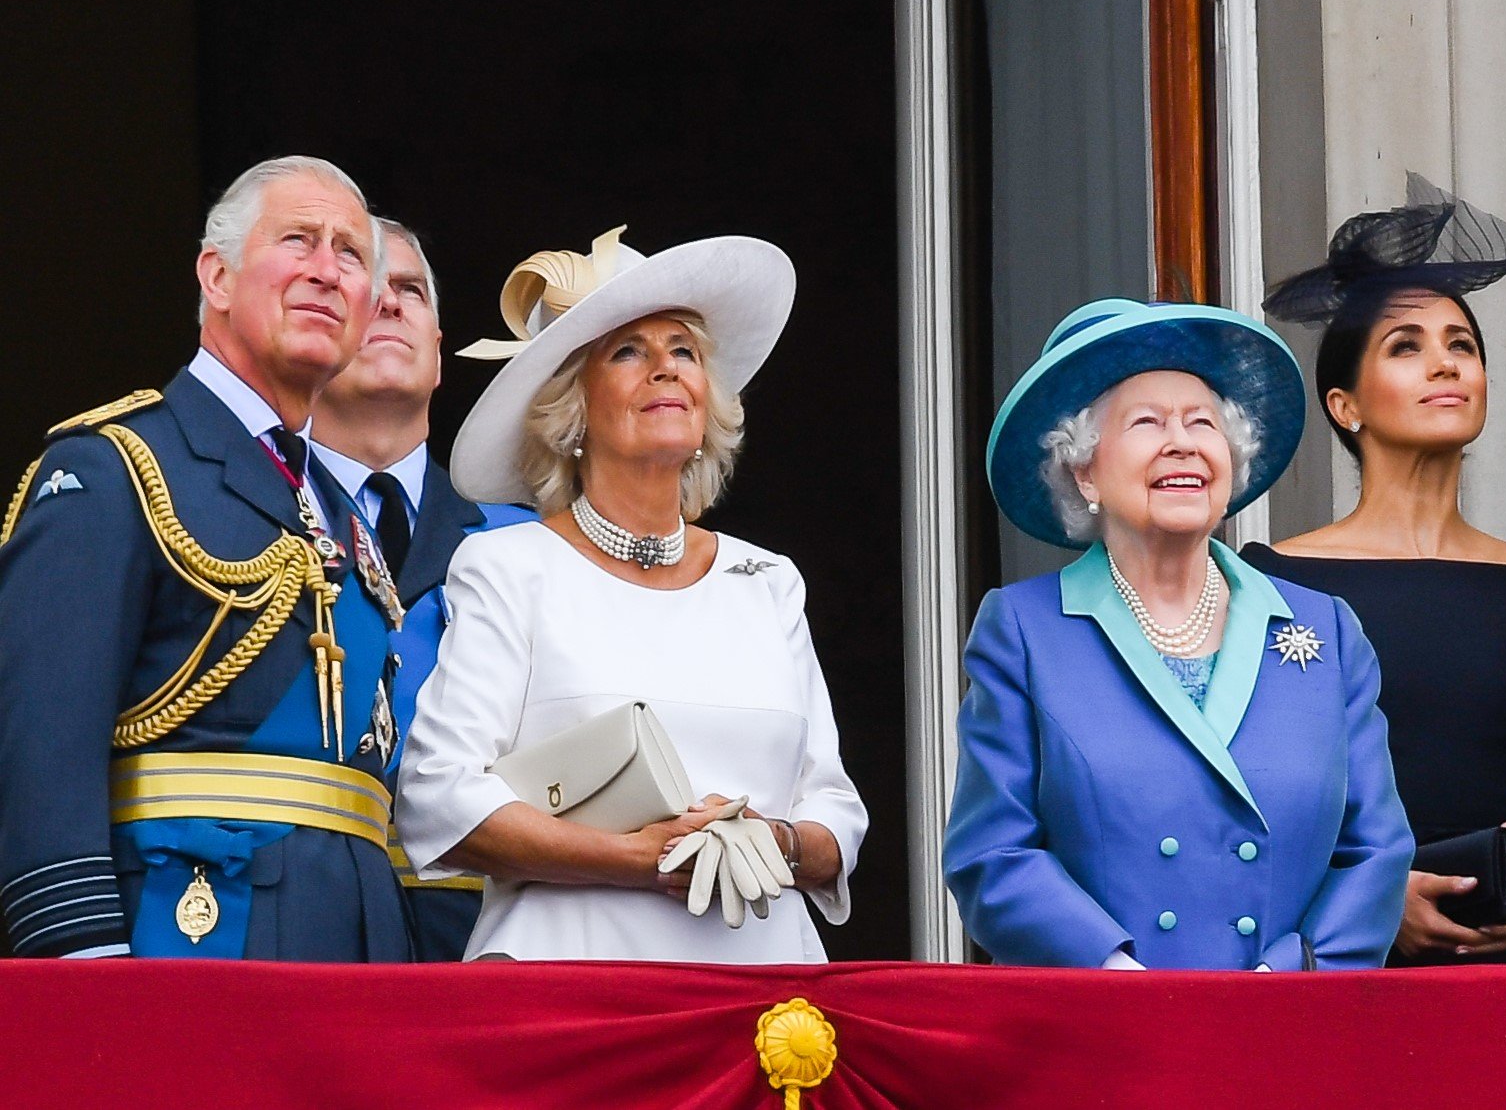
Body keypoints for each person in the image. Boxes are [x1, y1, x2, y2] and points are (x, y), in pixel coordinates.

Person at [394, 228, 866, 962]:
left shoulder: (768, 582)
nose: (664, 369)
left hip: (764, 996)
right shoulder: (506, 567)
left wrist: (776, 840)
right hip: (572, 988)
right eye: (627, 352)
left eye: (683, 350)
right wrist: (643, 859)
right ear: (572, 411)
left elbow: (835, 816)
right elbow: (439, 798)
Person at [0, 156, 409, 960]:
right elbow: (41, 741)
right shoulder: (116, 466)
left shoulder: (340, 505)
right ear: (216, 276)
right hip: (188, 932)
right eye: (299, 240)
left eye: (351, 254)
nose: (327, 270)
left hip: (359, 944)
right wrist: (78, 959)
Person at [945, 298, 1412, 970]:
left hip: (1288, 1024)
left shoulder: (1326, 630)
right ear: (1084, 470)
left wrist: (1288, 975)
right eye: (1146, 422)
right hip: (1105, 1032)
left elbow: (1376, 848)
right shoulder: (1025, 630)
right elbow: (993, 852)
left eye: (1203, 422)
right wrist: (1116, 974)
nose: (1182, 441)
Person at [1245, 181, 1506, 966]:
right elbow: (1250, 819)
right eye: (1406, 345)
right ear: (1346, 406)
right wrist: (1370, 899)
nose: (1444, 363)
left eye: (1462, 345)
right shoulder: (1270, 581)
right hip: (1342, 978)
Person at [310, 219, 538, 961]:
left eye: (409, 289)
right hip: (302, 925)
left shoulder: (528, 544)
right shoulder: (243, 520)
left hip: (490, 933)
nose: (389, 303)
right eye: (364, 289)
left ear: (440, 355)